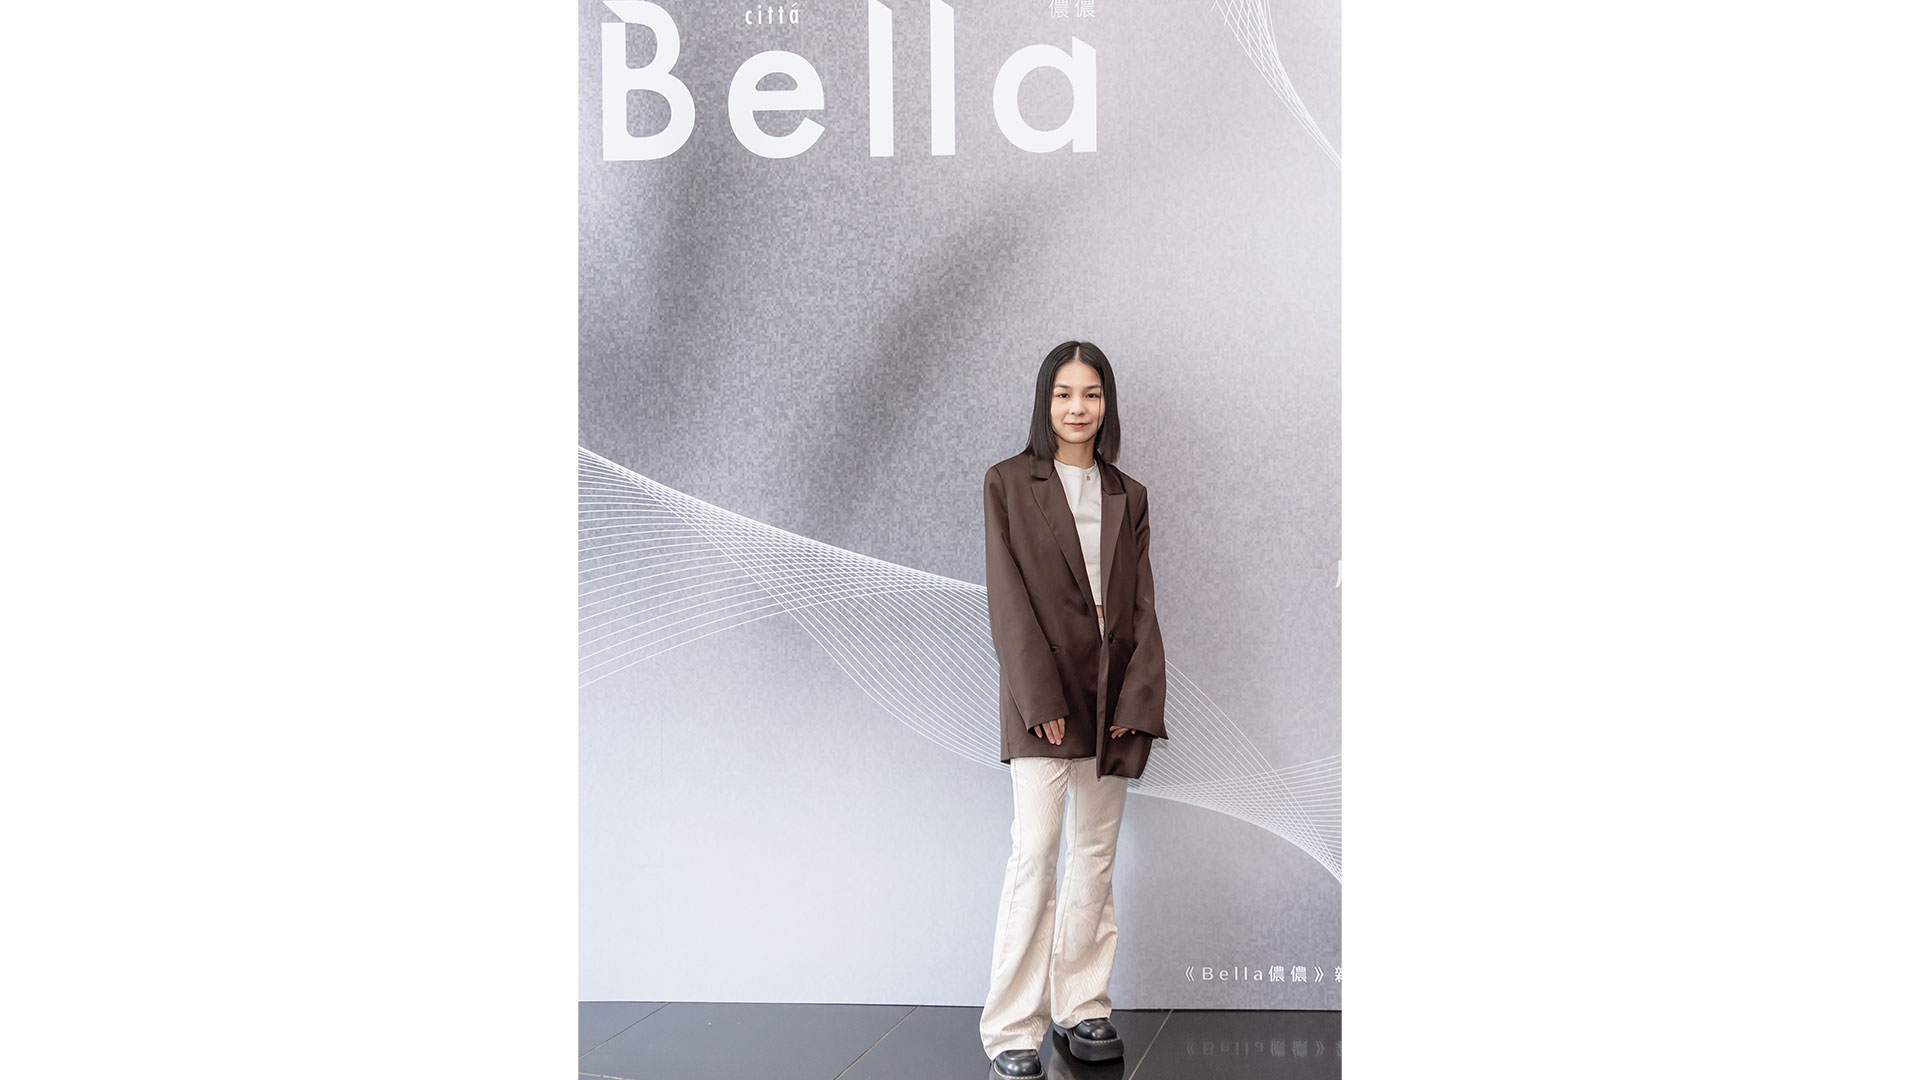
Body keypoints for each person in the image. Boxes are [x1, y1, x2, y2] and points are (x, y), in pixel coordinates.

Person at [978, 340, 1169, 1079]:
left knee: (1094, 852)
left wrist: (1136, 697)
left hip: (1110, 690)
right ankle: (1012, 1029)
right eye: (1064, 394)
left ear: (1106, 403)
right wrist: (1039, 698)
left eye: (1090, 394)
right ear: (1045, 401)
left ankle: (1082, 1004)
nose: (1077, 407)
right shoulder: (1008, 482)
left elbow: (1142, 605)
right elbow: (1008, 599)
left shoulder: (1129, 494)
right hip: (1044, 694)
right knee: (1035, 854)